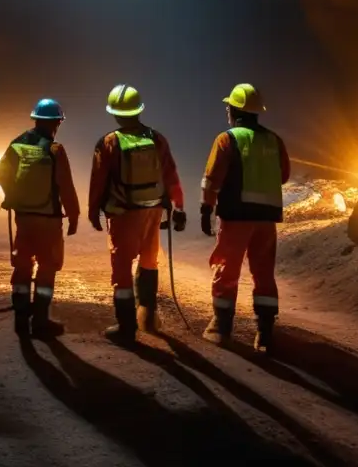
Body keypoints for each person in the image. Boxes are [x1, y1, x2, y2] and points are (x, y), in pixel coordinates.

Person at [89, 84, 185, 344]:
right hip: (153, 211)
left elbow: (99, 179)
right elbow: (171, 174)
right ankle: (149, 317)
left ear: (115, 113)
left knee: (121, 268)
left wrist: (92, 210)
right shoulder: (156, 138)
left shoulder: (109, 141)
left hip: (122, 213)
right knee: (149, 261)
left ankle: (127, 327)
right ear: (139, 110)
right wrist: (179, 207)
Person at [199, 83, 290, 353]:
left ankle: (221, 327)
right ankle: (264, 335)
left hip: (236, 215)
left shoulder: (227, 139)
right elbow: (283, 175)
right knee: (263, 274)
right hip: (266, 217)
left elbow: (212, 179)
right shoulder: (274, 140)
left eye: (229, 106)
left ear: (235, 110)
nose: (227, 110)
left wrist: (206, 208)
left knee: (227, 270)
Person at [0, 98, 81, 338]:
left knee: (22, 263)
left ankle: (20, 319)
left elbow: (0, 173)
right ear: (56, 123)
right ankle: (40, 321)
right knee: (47, 267)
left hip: (23, 217)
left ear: (35, 119)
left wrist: (11, 195)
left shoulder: (17, 145)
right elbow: (67, 187)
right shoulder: (55, 150)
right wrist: (73, 217)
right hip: (49, 219)